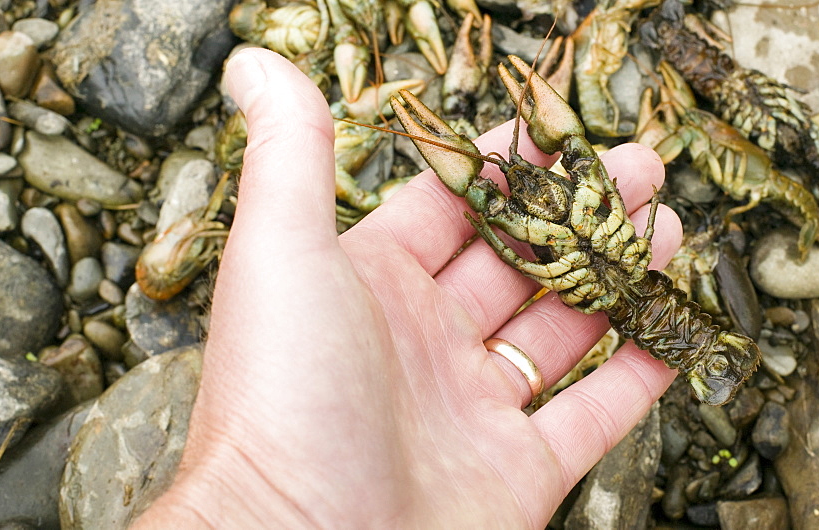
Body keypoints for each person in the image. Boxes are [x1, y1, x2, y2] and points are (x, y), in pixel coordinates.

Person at [133, 48, 682, 528]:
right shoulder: (585, 200)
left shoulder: (514, 221)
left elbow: (516, 248)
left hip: (642, 308)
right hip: (633, 282)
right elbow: (572, 177)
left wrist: (263, 496)